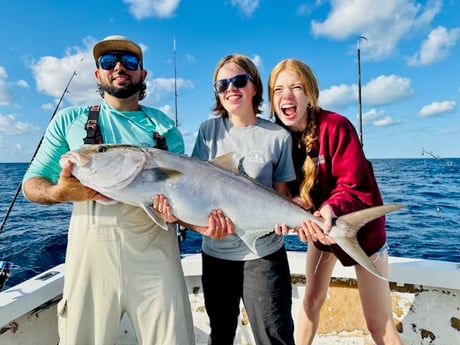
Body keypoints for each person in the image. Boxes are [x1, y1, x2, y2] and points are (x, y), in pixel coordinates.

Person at [22, 35, 196, 345]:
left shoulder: (164, 126)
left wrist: (182, 217)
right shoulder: (70, 121)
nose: (119, 67)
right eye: (108, 61)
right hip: (91, 261)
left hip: (157, 259)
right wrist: (58, 193)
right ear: (98, 73)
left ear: (142, 74)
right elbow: (32, 184)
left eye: (129, 62)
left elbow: (184, 194)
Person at [155, 53, 296, 345]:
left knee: (275, 338)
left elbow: (282, 197)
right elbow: (188, 185)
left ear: (254, 86)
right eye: (222, 85)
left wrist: (292, 220)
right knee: (221, 334)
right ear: (218, 93)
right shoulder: (208, 132)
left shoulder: (277, 136)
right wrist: (185, 219)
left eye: (239, 81)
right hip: (216, 255)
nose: (231, 89)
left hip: (264, 255)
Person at [268, 58, 404, 345]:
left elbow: (354, 184)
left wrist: (332, 207)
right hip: (321, 233)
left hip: (363, 234)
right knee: (311, 301)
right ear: (271, 99)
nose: (287, 96)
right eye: (278, 90)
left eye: (296, 87)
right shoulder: (279, 140)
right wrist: (296, 208)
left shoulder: (336, 126)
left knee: (378, 324)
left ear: (310, 95)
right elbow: (290, 194)